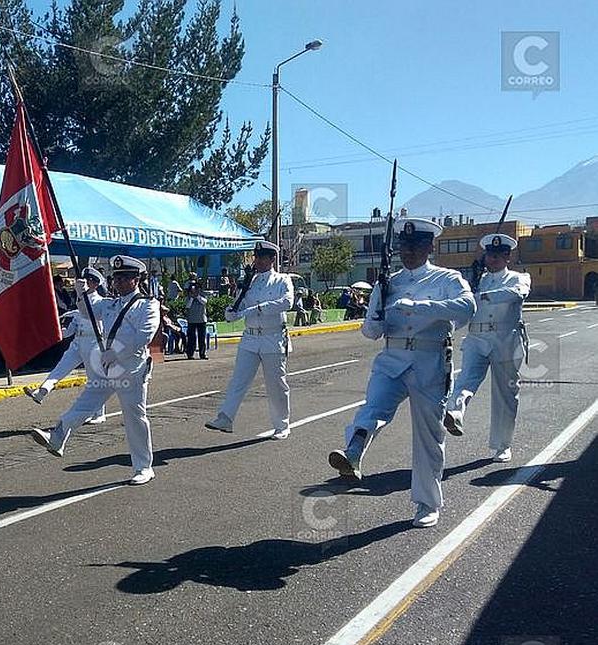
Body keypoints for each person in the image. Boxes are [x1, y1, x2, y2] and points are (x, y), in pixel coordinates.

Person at [327, 218, 475, 529]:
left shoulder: (447, 278)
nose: (408, 252)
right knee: (373, 408)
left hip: (429, 360)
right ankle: (353, 454)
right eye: (404, 246)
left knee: (428, 436)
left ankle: (427, 503)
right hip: (392, 357)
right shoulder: (388, 282)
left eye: (415, 246)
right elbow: (371, 331)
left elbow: (467, 307)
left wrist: (420, 307)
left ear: (429, 247)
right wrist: (374, 316)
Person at [31, 255, 161, 485]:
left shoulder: (148, 304)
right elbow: (86, 312)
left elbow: (144, 336)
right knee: (85, 402)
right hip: (107, 368)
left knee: (134, 418)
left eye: (125, 278)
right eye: (116, 278)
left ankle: (143, 467)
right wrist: (81, 293)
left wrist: (116, 353)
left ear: (137, 279)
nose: (119, 282)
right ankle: (57, 435)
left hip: (132, 369)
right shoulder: (110, 303)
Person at [444, 233, 531, 463]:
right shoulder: (476, 279)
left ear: (507, 257)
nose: (492, 259)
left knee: (506, 395)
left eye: (497, 255)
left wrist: (481, 296)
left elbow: (517, 293)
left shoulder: (518, 278)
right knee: (466, 380)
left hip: (506, 339)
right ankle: (455, 413)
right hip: (477, 338)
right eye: (489, 255)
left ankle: (503, 445)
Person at [205, 241, 293, 439]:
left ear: (272, 259)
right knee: (238, 380)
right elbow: (239, 307)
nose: (258, 261)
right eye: (257, 257)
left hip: (272, 337)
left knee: (275, 384)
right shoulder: (249, 283)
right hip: (250, 337)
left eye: (263, 257)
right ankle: (225, 418)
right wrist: (231, 312)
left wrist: (256, 308)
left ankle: (282, 425)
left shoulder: (282, 280)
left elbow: (287, 302)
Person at [24, 267, 107, 424]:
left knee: (95, 378)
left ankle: (99, 413)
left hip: (93, 343)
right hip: (78, 342)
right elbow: (70, 329)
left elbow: (88, 312)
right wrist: (58, 333)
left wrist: (82, 296)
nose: (83, 283)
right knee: (60, 368)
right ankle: (41, 392)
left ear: (95, 284)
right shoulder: (79, 302)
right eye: (83, 280)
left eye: (88, 281)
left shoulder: (99, 302)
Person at [184, 281, 208, 359]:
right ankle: (190, 354)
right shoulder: (188, 297)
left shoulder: (202, 294)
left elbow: (204, 302)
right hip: (191, 320)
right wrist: (191, 297)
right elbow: (187, 306)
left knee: (202, 338)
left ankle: (202, 354)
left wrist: (197, 296)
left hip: (201, 320)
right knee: (191, 339)